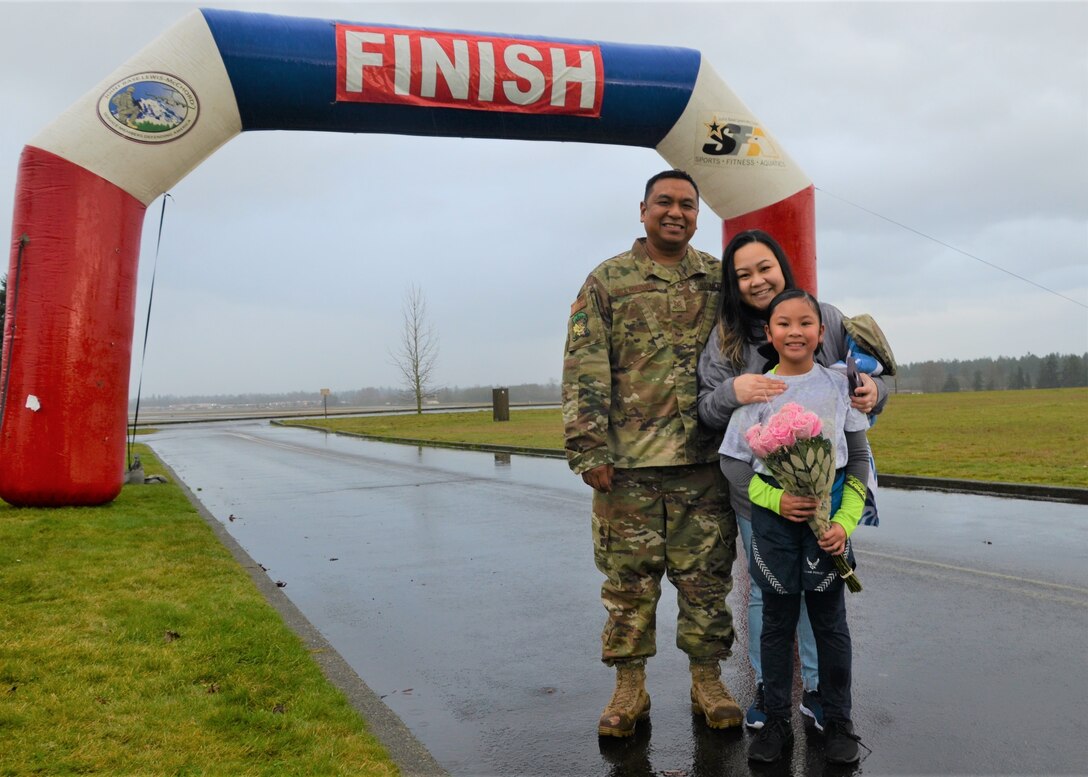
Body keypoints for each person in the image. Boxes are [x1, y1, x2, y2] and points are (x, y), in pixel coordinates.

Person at [563, 169, 741, 738]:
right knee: (628, 585)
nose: (676, 212)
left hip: (705, 464)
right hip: (628, 468)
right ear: (642, 211)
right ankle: (629, 688)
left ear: (697, 215)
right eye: (664, 202)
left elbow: (768, 333)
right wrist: (587, 448)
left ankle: (707, 681)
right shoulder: (608, 281)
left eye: (687, 205)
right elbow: (584, 366)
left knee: (706, 581)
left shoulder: (719, 280)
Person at [696, 229, 888, 731]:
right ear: (732, 285)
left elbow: (873, 378)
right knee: (768, 593)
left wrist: (873, 391)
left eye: (765, 268)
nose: (757, 280)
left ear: (783, 266)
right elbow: (707, 409)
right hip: (760, 495)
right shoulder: (726, 336)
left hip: (830, 486)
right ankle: (770, 688)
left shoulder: (826, 316)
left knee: (822, 593)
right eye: (743, 274)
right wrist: (734, 391)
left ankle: (821, 691)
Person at [718, 288, 869, 764]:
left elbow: (859, 458)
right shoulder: (759, 389)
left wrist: (844, 523)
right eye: (783, 323)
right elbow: (734, 463)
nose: (795, 331)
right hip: (776, 523)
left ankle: (837, 716)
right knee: (778, 624)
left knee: (830, 624)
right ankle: (777, 721)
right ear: (770, 332)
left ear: (821, 332)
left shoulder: (840, 385)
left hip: (830, 521)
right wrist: (778, 499)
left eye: (805, 322)